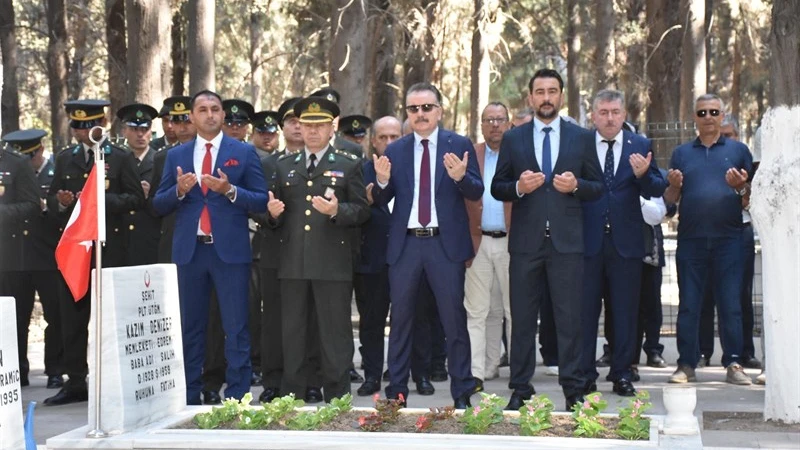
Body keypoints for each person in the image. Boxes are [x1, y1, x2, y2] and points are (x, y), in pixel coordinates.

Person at [490, 69, 604, 411]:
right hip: (526, 244)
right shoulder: (514, 138)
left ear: (561, 96)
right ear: (530, 97)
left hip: (567, 245)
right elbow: (497, 187)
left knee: (570, 320)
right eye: (539, 92)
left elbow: (597, 186)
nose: (546, 97)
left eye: (552, 91)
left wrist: (577, 186)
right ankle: (520, 389)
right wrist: (519, 187)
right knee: (523, 320)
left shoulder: (581, 137)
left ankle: (573, 390)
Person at [153, 89, 268, 404]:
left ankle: (237, 395)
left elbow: (261, 200)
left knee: (236, 326)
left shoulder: (243, 152)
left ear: (223, 114)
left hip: (229, 252)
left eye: (215, 109)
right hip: (190, 252)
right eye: (202, 110)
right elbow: (158, 204)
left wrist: (230, 190)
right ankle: (189, 394)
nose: (210, 115)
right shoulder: (176, 155)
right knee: (191, 326)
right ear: (192, 117)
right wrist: (178, 190)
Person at [372, 82, 483, 408]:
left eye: (426, 107)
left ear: (439, 110)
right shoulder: (396, 150)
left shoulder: (458, 144)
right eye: (413, 108)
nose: (420, 114)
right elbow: (381, 199)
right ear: (407, 113)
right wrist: (381, 181)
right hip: (406, 246)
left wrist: (461, 176)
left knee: (454, 321)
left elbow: (476, 191)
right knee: (400, 321)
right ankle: (396, 394)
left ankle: (462, 393)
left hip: (444, 246)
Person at [267, 96, 369, 402]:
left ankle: (337, 400)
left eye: (320, 126)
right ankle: (292, 400)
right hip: (293, 263)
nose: (312, 131)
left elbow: (362, 211)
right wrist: (272, 215)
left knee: (335, 335)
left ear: (331, 128)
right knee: (293, 335)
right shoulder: (283, 165)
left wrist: (338, 211)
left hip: (332, 264)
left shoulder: (348, 164)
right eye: (307, 125)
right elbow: (274, 215)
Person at [44, 99, 145, 406]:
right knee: (72, 320)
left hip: (110, 252)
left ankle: (114, 380)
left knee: (112, 318)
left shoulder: (120, 157)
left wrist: (101, 200)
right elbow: (53, 201)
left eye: (89, 126)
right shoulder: (66, 159)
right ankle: (76, 381)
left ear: (101, 125)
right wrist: (62, 202)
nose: (83, 132)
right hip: (77, 252)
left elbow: (136, 199)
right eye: (78, 127)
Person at [579, 89, 666, 397]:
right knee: (586, 313)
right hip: (588, 244)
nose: (609, 118)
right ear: (593, 116)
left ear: (624, 114)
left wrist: (643, 175)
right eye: (603, 112)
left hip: (626, 245)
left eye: (615, 112)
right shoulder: (580, 144)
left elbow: (657, 186)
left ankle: (622, 374)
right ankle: (585, 375)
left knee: (626, 312)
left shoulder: (639, 145)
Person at [665, 93, 754, 386]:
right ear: (694, 118)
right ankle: (686, 364)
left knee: (730, 304)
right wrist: (673, 186)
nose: (708, 117)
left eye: (714, 112)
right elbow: (671, 199)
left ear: (722, 115)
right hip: (691, 241)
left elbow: (748, 200)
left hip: (729, 240)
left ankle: (734, 363)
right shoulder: (681, 153)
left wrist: (740, 187)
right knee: (689, 304)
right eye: (702, 113)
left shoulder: (738, 150)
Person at [698, 115, 761, 370]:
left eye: (729, 135)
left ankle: (744, 352)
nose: (724, 140)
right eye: (720, 135)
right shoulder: (704, 159)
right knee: (705, 296)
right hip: (706, 234)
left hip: (739, 233)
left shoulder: (744, 159)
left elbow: (755, 197)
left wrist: (741, 188)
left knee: (740, 296)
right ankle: (702, 352)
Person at [464, 102, 512, 387]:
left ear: (508, 123)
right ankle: (479, 371)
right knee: (479, 310)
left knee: (511, 310)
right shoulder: (471, 155)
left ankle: (518, 372)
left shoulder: (519, 154)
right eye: (488, 120)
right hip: (478, 241)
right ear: (481, 125)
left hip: (511, 243)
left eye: (499, 119)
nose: (494, 125)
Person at [0, 129, 53, 388]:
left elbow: (32, 205)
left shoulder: (16, 163)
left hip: (10, 255)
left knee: (14, 316)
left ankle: (16, 371)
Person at [353, 116, 400, 396]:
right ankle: (372, 375)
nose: (389, 143)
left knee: (408, 318)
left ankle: (405, 372)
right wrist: (365, 201)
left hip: (408, 256)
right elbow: (351, 208)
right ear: (373, 142)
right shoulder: (360, 171)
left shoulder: (412, 167)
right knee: (371, 321)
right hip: (371, 258)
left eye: (394, 137)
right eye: (383, 137)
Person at [117, 103, 161, 266]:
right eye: (134, 129)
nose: (140, 134)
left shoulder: (161, 160)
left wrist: (150, 195)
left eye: (145, 129)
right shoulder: (115, 159)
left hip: (150, 238)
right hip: (120, 239)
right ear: (124, 131)